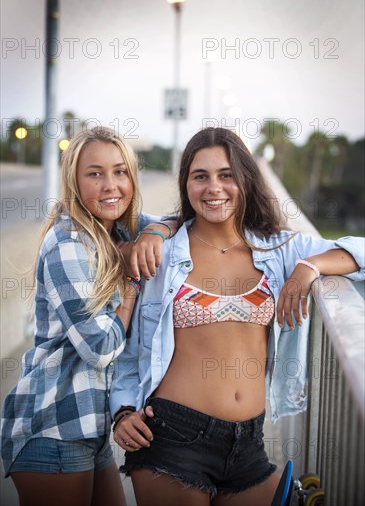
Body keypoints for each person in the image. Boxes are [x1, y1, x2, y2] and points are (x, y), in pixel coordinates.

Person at [111, 127, 365, 506]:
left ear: (245, 179)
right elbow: (132, 349)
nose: (214, 187)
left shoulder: (279, 248)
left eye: (226, 175)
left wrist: (309, 267)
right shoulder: (162, 254)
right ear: (187, 185)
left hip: (249, 445)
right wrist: (123, 411)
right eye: (201, 176)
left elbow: (359, 251)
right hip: (171, 439)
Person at [0, 126, 176, 506]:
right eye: (95, 173)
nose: (110, 184)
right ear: (74, 181)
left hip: (89, 427)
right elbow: (99, 346)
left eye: (120, 171)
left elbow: (182, 222)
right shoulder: (67, 244)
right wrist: (132, 279)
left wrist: (155, 234)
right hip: (52, 426)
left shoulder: (120, 227)